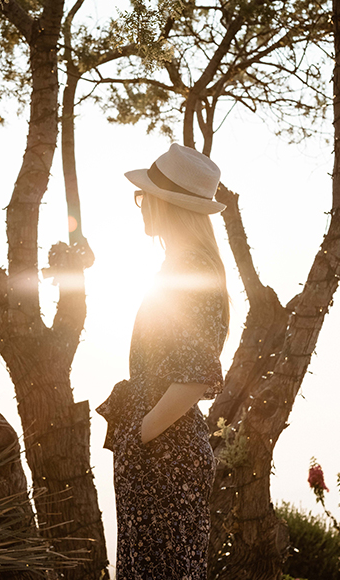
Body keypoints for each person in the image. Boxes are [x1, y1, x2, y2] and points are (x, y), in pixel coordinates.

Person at [96, 143, 230, 580]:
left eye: (144, 197)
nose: (140, 206)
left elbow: (195, 376)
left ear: (166, 204)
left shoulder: (191, 271)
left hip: (165, 461)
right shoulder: (180, 266)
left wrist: (143, 432)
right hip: (159, 458)